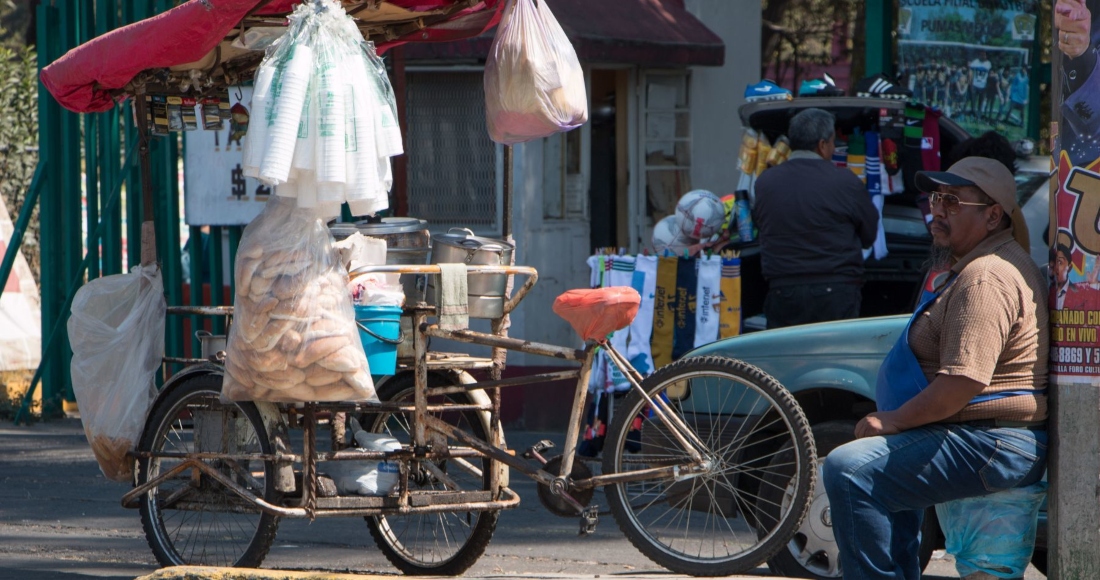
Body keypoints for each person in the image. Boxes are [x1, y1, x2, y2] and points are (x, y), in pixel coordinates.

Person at [823, 157, 1048, 579]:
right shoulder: (980, 266)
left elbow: (963, 382)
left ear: (993, 215)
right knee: (881, 475)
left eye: (952, 201)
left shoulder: (986, 277)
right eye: (934, 198)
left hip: (991, 441)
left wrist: (893, 420)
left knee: (849, 471)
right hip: (982, 437)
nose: (937, 210)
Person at [752, 108, 879, 329]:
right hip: (837, 292)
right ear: (822, 145)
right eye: (832, 143)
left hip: (783, 292)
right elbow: (869, 235)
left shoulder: (765, 182)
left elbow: (760, 226)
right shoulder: (845, 181)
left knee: (787, 359)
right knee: (835, 359)